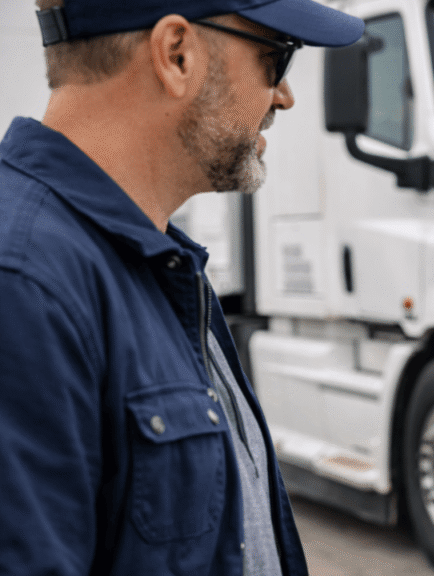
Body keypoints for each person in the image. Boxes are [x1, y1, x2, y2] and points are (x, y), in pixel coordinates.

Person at [0, 1, 363, 574]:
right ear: (177, 54)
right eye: (275, 57)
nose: (284, 96)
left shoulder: (158, 264)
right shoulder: (24, 287)